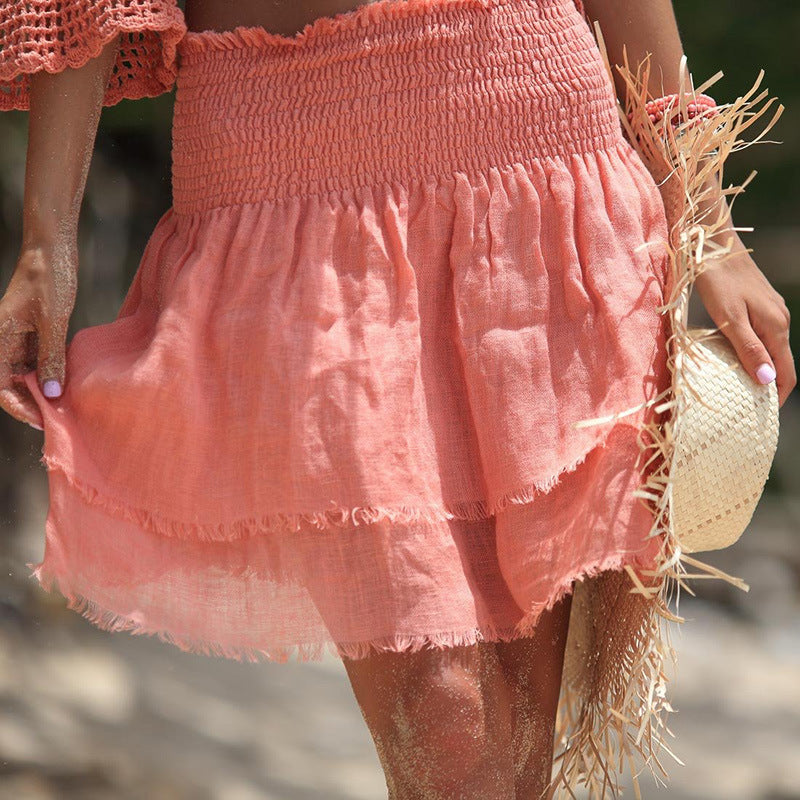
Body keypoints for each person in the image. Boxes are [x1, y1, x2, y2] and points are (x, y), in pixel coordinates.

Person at [0, 0, 793, 797]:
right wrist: (46, 237)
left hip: (527, 149)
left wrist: (711, 224)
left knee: (513, 754)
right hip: (280, 188)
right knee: (453, 733)